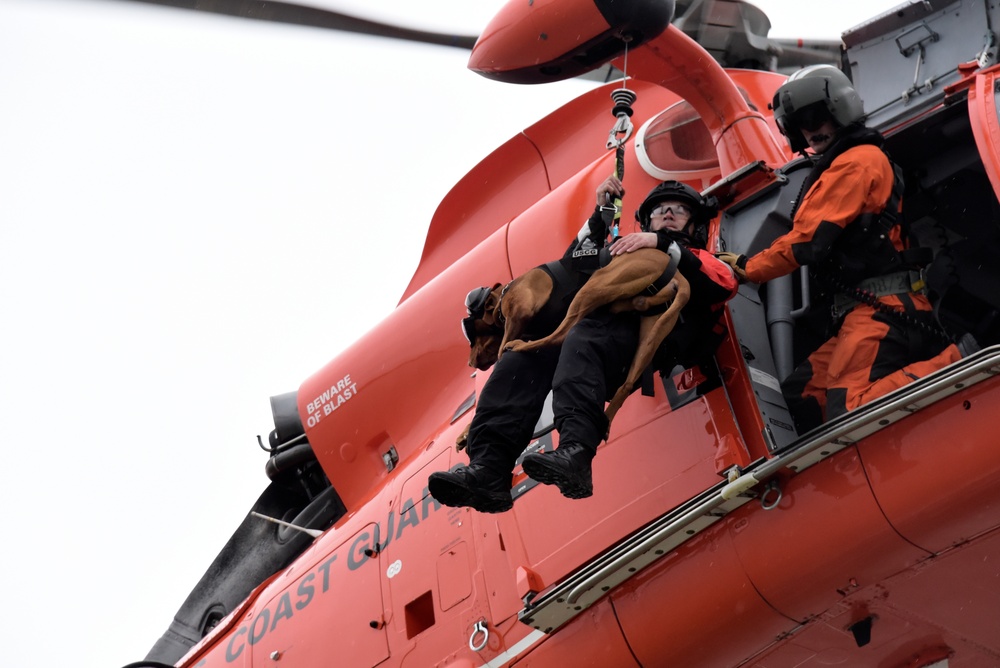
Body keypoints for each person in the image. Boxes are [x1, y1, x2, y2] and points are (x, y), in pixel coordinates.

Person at [428, 178, 737, 512]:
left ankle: (576, 452)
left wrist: (661, 243)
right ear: (646, 221)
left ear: (695, 223)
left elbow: (723, 282)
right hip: (597, 335)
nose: (668, 215)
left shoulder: (699, 257)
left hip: (639, 339)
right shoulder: (625, 255)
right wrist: (600, 215)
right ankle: (489, 469)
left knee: (583, 337)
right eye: (660, 211)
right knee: (521, 357)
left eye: (678, 211)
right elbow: (573, 271)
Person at [717, 64, 973, 430]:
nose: (809, 128)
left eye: (816, 115)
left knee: (847, 409)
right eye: (799, 122)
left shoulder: (856, 162)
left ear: (841, 109)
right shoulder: (846, 162)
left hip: (883, 311)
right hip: (868, 310)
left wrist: (742, 269)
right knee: (799, 400)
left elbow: (807, 241)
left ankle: (957, 360)